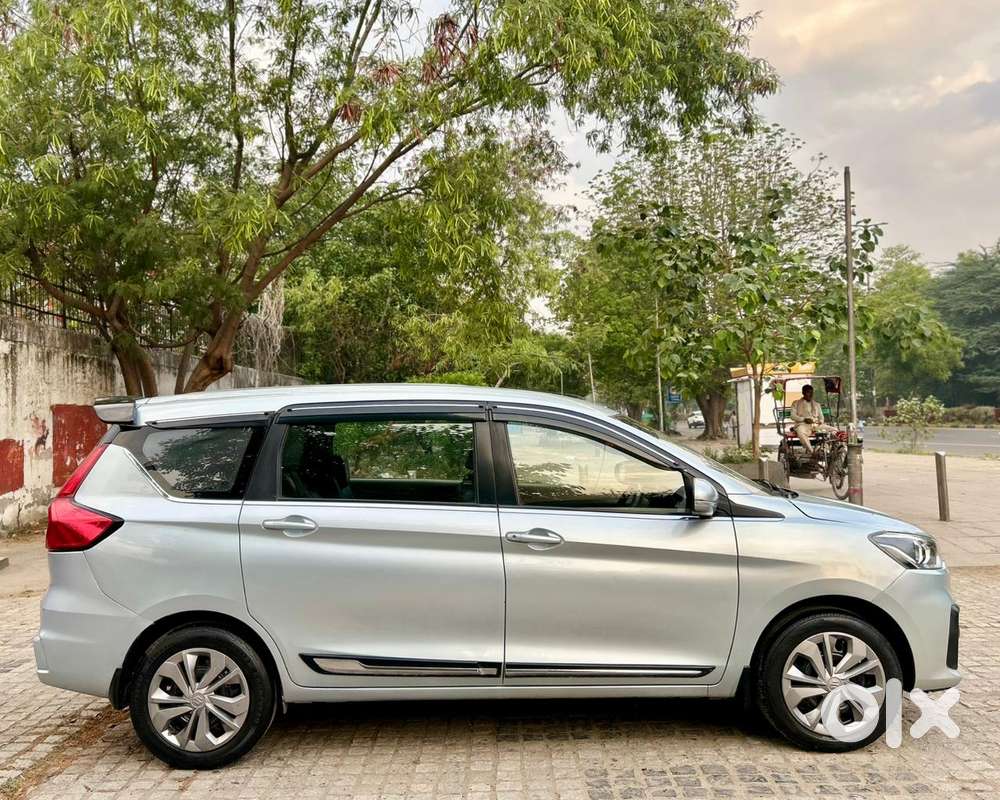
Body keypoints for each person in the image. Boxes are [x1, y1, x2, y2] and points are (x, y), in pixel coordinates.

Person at [790, 384, 836, 455]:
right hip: (803, 425)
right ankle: (812, 452)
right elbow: (792, 416)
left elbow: (821, 418)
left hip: (816, 425)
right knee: (800, 432)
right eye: (808, 392)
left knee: (834, 430)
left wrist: (820, 421)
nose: (811, 394)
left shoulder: (817, 404)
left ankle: (825, 448)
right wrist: (804, 419)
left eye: (812, 392)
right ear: (803, 393)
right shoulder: (796, 403)